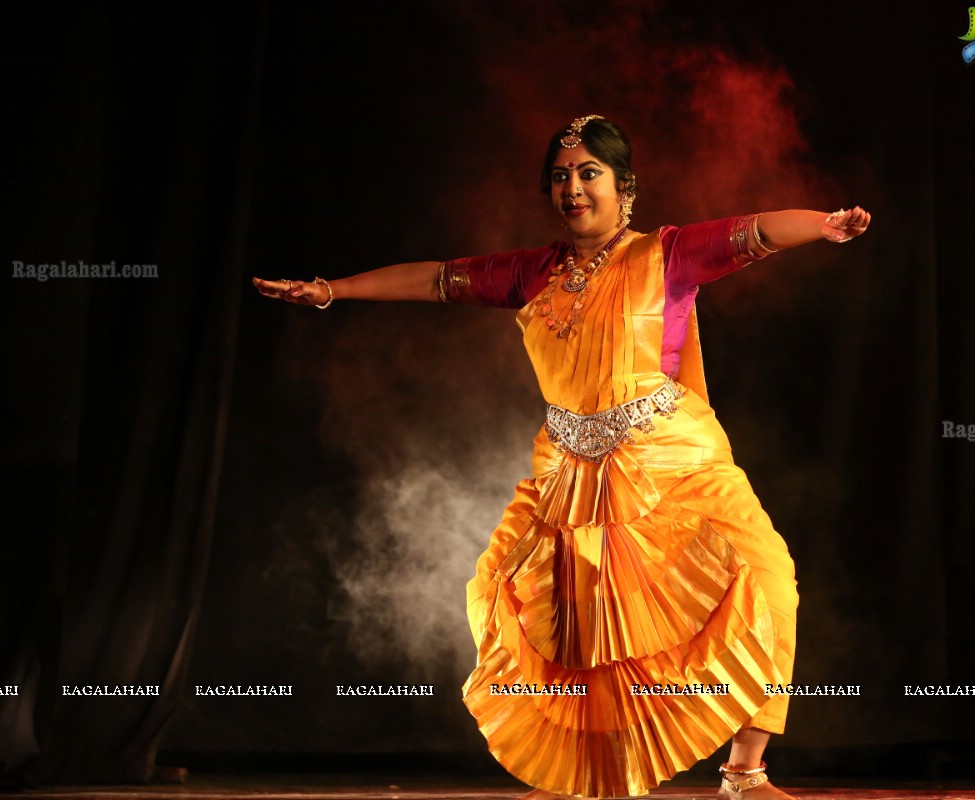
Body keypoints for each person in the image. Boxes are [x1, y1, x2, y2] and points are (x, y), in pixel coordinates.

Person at [255, 115, 870, 800]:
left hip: (671, 460)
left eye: (588, 174)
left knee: (766, 576)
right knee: (578, 628)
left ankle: (744, 771)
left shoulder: (664, 255)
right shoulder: (535, 272)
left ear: (624, 187)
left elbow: (751, 233)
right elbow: (438, 280)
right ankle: (596, 776)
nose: (572, 188)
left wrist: (821, 223)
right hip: (573, 472)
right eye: (560, 176)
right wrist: (332, 290)